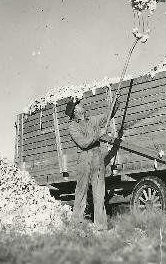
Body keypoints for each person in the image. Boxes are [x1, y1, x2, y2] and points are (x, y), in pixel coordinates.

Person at [66, 97, 119, 231]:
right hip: (84, 158)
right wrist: (98, 135)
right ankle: (77, 225)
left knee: (99, 193)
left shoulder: (92, 120)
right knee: (81, 192)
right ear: (75, 111)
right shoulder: (72, 126)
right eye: (78, 104)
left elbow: (108, 116)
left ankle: (100, 225)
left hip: (97, 156)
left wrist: (115, 103)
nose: (81, 105)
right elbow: (83, 143)